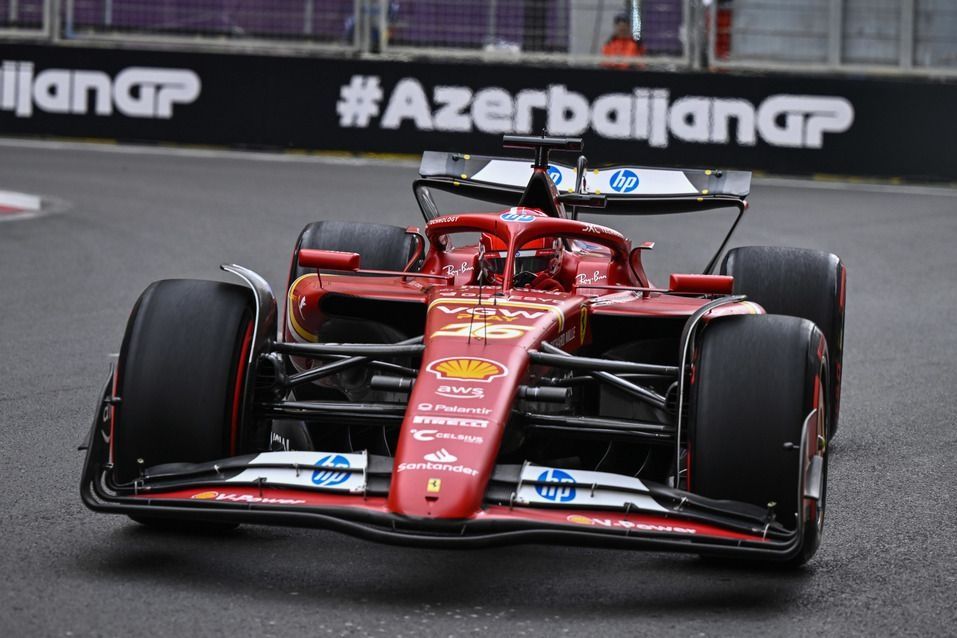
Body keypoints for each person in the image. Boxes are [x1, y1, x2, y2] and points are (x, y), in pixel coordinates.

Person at [479, 233, 565, 291]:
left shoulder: (573, 269)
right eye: (503, 264)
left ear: (554, 261)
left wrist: (558, 297)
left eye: (531, 264)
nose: (517, 276)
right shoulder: (471, 269)